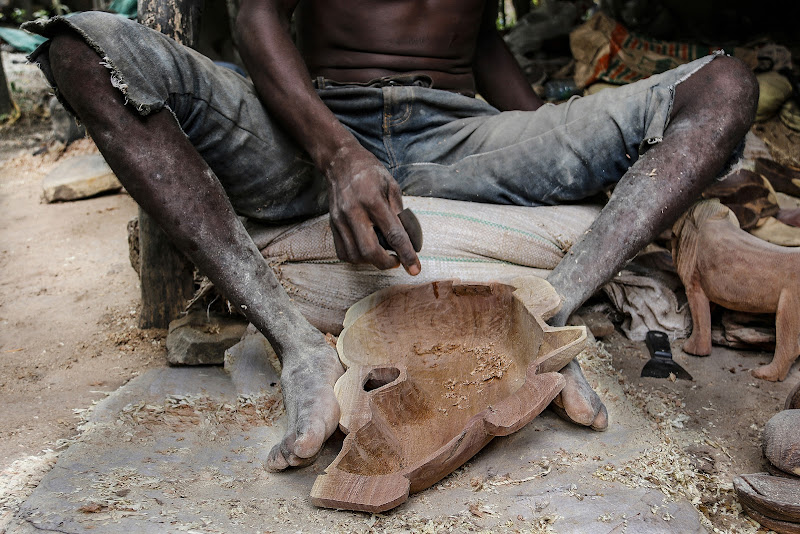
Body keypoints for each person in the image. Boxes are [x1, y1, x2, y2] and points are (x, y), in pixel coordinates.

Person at [24, 0, 757, 471]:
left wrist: (566, 150)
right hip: (306, 125)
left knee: (724, 84)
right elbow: (255, 19)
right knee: (83, 46)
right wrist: (339, 155)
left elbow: (484, 46)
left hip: (462, 136)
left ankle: (543, 314)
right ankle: (300, 347)